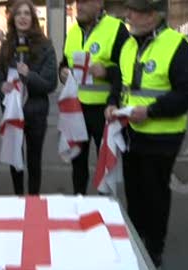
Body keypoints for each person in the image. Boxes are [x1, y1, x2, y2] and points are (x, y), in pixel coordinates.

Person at [105, 0, 188, 267]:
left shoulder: (177, 46)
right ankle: (135, 241)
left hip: (163, 137)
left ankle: (154, 250)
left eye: (135, 11)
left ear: (153, 15)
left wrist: (151, 112)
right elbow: (121, 83)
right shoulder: (129, 44)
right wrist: (112, 103)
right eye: (129, 10)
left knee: (155, 194)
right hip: (132, 133)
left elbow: (187, 94)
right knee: (134, 192)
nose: (128, 15)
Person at [59, 0, 129, 195]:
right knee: (77, 163)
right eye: (77, 2)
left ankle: (105, 208)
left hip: (104, 110)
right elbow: (64, 63)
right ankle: (79, 203)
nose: (78, 6)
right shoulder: (73, 31)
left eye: (84, 2)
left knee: (106, 163)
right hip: (76, 108)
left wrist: (106, 72)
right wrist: (62, 72)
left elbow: (127, 71)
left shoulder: (116, 29)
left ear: (99, 4)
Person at [0, 0, 57, 195]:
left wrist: (29, 75)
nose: (22, 17)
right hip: (12, 111)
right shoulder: (7, 46)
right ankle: (18, 197)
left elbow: (50, 83)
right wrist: (1, 87)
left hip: (35, 112)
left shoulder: (46, 46)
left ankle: (33, 199)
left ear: (33, 18)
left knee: (33, 158)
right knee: (15, 157)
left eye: (27, 13)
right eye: (19, 13)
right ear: (13, 19)